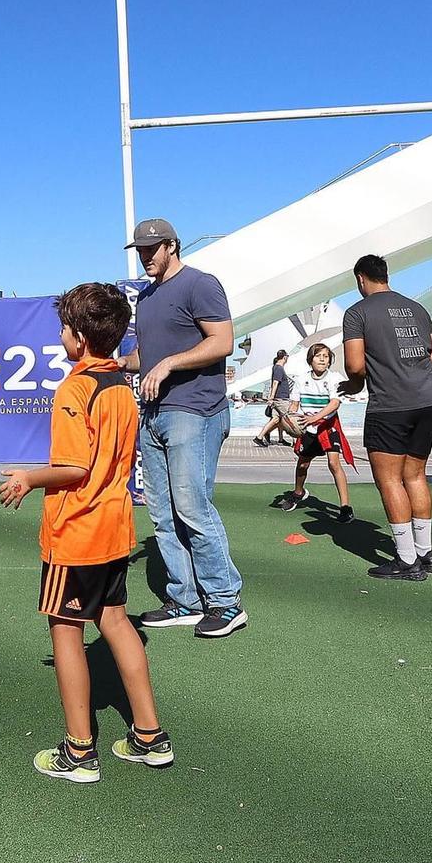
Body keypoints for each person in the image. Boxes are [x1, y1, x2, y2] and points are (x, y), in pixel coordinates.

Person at [0, 283, 172, 784]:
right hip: (115, 528)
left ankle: (79, 752)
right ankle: (148, 736)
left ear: (76, 337)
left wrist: (29, 478)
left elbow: (73, 466)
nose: (60, 336)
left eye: (62, 329)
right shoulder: (121, 384)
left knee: (65, 630)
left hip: (75, 531)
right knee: (116, 621)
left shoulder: (75, 389)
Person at [124, 218, 246, 639]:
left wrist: (170, 363)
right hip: (154, 413)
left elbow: (222, 341)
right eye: (140, 250)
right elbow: (148, 352)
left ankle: (226, 602)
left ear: (172, 245)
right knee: (161, 513)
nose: (145, 257)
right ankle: (185, 599)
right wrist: (121, 363)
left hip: (195, 411)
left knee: (193, 508)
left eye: (152, 249)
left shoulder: (201, 284)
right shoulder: (147, 296)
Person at [341, 256, 432, 580]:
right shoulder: (418, 309)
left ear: (360, 279)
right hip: (427, 402)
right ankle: (426, 554)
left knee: (390, 480)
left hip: (390, 406)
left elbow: (355, 366)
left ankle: (406, 559)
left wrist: (353, 385)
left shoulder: (357, 313)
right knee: (415, 476)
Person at [269, 342, 352, 519]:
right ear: (310, 360)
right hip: (307, 427)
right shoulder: (301, 379)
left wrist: (315, 418)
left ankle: (345, 507)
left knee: (333, 463)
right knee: (303, 464)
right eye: (318, 355)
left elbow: (335, 403)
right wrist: (289, 419)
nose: (322, 359)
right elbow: (294, 404)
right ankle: (298, 493)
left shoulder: (334, 378)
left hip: (328, 426)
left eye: (326, 356)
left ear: (330, 361)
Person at [251, 350, 294, 448]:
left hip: (278, 398)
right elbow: (275, 383)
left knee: (276, 419)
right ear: (284, 357)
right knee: (289, 418)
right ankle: (296, 441)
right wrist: (271, 397)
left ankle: (263, 437)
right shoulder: (279, 368)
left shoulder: (277, 367)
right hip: (281, 399)